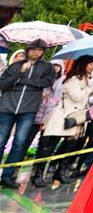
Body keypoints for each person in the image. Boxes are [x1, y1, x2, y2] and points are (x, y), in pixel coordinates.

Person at [33, 55, 93, 187]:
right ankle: (38, 174)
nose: (92, 67)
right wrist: (92, 87)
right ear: (83, 65)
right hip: (63, 116)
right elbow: (77, 96)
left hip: (76, 118)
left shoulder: (86, 79)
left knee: (69, 147)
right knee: (49, 147)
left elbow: (86, 96)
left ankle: (60, 172)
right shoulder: (72, 79)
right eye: (90, 64)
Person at [0, 39, 55, 189]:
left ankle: (7, 175)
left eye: (40, 50)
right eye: (33, 49)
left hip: (29, 110)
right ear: (28, 49)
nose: (36, 52)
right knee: (0, 141)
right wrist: (20, 73)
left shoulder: (47, 67)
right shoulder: (16, 65)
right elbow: (3, 84)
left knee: (19, 143)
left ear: (43, 52)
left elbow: (46, 83)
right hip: (7, 107)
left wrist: (23, 81)